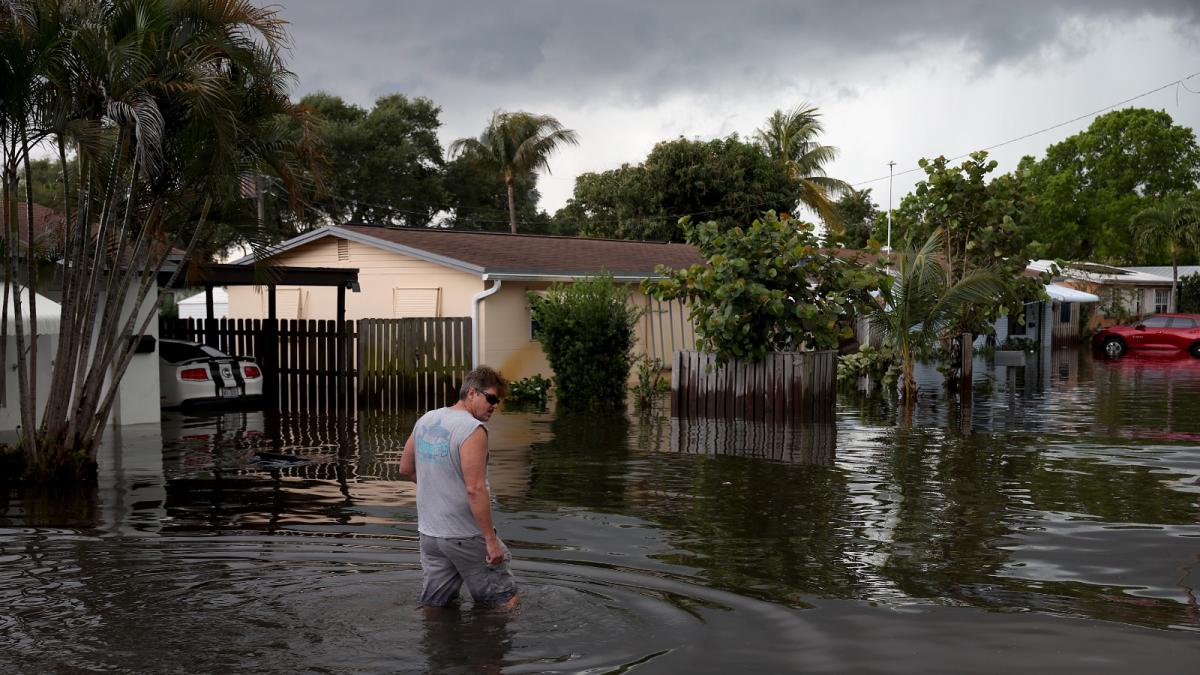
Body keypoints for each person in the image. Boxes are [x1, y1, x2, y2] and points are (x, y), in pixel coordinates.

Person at [400, 365, 518, 609]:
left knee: (436, 606)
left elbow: (405, 469)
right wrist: (490, 540)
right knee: (505, 602)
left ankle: (434, 645)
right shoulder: (472, 430)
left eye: (499, 401)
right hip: (465, 534)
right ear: (472, 393)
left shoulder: (427, 419)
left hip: (431, 535)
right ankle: (491, 645)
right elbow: (475, 489)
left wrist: (439, 489)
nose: (495, 405)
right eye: (492, 399)